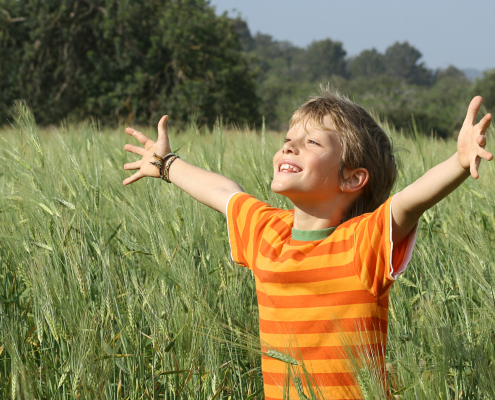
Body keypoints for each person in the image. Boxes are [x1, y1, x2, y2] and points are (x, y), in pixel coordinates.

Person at [122, 88, 492, 399]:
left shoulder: (363, 242)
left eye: (311, 143)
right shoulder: (267, 231)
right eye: (287, 142)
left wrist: (458, 163)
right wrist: (166, 165)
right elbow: (224, 192)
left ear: (352, 178)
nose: (288, 149)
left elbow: (409, 202)